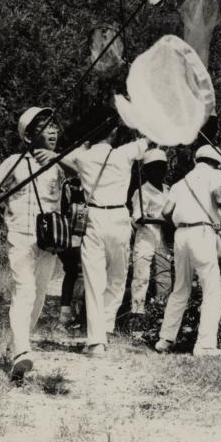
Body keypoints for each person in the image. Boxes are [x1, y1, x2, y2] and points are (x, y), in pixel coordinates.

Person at [38, 124, 147, 356]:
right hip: (119, 216)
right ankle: (105, 328)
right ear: (113, 133)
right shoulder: (124, 152)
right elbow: (151, 141)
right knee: (117, 278)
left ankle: (97, 340)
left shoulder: (83, 156)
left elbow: (63, 159)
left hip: (94, 216)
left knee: (94, 279)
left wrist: (61, 151)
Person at [0, 106, 64, 380]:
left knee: (39, 293)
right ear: (29, 137)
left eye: (54, 126)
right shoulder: (15, 162)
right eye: (45, 127)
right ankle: (22, 351)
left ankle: (21, 344)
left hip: (49, 238)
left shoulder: (59, 164)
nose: (52, 131)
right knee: (24, 290)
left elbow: (81, 179)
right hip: (20, 234)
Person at [154, 145, 221, 358]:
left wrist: (183, 220)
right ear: (218, 162)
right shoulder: (216, 175)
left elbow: (166, 211)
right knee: (212, 291)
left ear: (197, 160)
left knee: (180, 289)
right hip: (202, 232)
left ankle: (165, 340)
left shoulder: (181, 183)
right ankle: (205, 346)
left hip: (181, 234)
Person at [129, 148, 173, 324]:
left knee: (164, 276)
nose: (158, 172)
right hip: (145, 237)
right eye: (154, 168)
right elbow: (137, 217)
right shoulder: (141, 192)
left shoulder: (168, 190)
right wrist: (162, 219)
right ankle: (137, 315)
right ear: (146, 171)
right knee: (141, 276)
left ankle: (160, 314)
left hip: (163, 238)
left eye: (162, 167)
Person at [57, 176, 85, 331]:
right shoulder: (68, 185)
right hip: (72, 235)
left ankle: (71, 314)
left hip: (80, 235)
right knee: (76, 272)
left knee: (75, 273)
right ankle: (71, 313)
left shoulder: (70, 183)